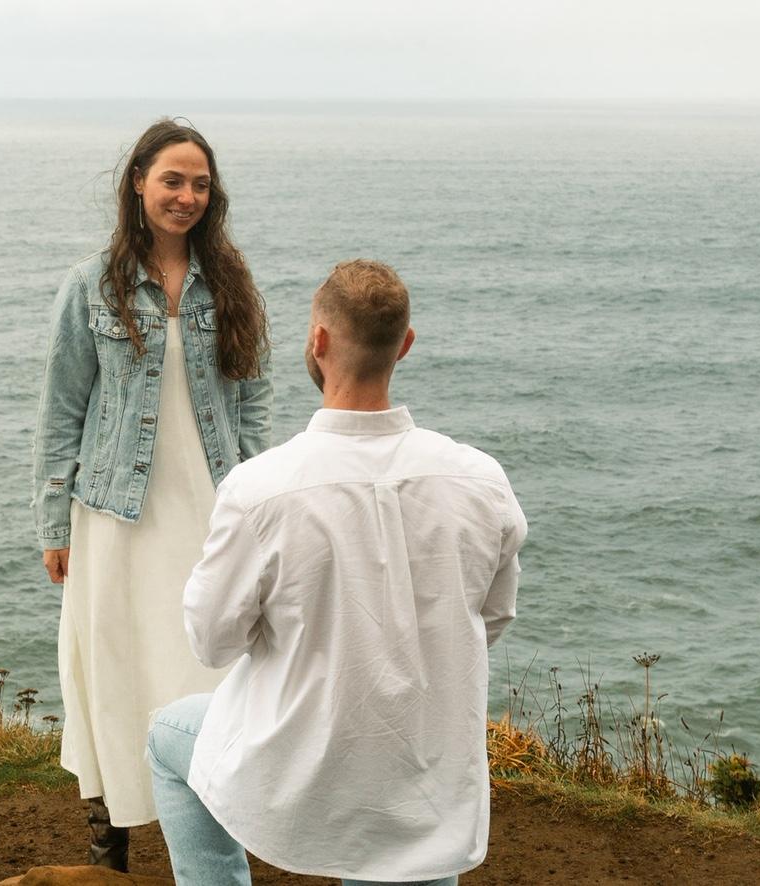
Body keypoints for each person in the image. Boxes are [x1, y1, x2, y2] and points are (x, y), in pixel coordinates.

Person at [147, 260, 527, 886]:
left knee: (169, 735)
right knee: (407, 849)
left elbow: (212, 641)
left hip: (300, 770)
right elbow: (490, 619)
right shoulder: (480, 481)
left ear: (318, 342)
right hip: (422, 780)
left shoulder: (261, 489)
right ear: (404, 346)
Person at [32, 118, 272, 871]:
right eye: (172, 180)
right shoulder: (89, 286)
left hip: (210, 508)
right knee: (117, 661)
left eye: (200, 183)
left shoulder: (231, 283)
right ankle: (113, 829)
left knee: (207, 665)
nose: (187, 196)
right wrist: (52, 522)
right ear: (137, 181)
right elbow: (61, 409)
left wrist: (257, 498)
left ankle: (207, 826)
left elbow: (255, 402)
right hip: (113, 512)